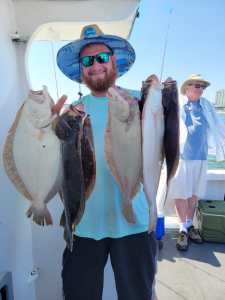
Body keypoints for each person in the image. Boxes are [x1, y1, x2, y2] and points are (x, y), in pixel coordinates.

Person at [54, 24, 157, 300]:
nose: (95, 65)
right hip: (83, 224)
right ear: (82, 69)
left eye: (102, 57)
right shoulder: (73, 112)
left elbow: (161, 146)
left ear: (114, 62)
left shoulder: (141, 103)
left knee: (137, 295)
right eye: (87, 61)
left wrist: (161, 102)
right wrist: (50, 126)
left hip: (134, 223)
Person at [167, 74, 225, 251]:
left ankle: (190, 225)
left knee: (194, 195)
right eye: (196, 86)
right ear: (187, 88)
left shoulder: (206, 105)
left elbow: (218, 126)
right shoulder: (177, 104)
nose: (200, 89)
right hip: (182, 157)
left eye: (202, 86)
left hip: (202, 157)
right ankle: (182, 229)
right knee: (181, 194)